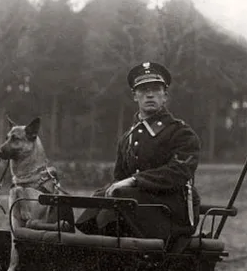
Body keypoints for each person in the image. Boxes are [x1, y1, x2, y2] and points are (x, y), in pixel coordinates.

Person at [77, 61, 201, 241]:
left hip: (171, 211)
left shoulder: (180, 133)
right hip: (136, 205)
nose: (150, 95)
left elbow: (179, 172)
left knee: (120, 196)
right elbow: (119, 177)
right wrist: (114, 187)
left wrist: (134, 181)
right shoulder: (127, 138)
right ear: (135, 96)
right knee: (100, 196)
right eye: (143, 90)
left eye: (156, 89)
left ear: (165, 96)